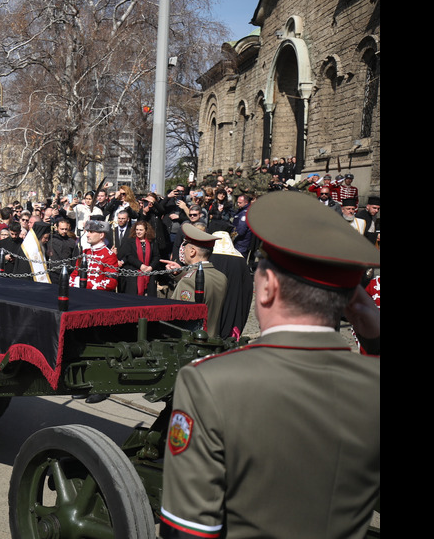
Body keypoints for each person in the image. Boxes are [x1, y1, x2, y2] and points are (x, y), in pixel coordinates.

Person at [159, 191, 380, 539]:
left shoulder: (209, 383)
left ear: (267, 287)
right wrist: (375, 338)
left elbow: (188, 530)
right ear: (353, 300)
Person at [161, 223, 228, 335]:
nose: (183, 250)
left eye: (185, 246)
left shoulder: (188, 281)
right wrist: (180, 273)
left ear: (192, 251)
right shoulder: (221, 277)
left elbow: (180, 318)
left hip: (192, 344)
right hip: (212, 339)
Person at [68, 218, 118, 291]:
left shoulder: (109, 255)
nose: (87, 235)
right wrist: (74, 283)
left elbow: (111, 282)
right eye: (88, 232)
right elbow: (74, 274)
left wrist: (86, 285)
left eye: (91, 232)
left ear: (101, 235)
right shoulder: (85, 252)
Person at [118, 221, 161, 296]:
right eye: (137, 230)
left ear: (146, 231)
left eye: (141, 230)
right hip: (134, 273)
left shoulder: (152, 242)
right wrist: (140, 265)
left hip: (149, 273)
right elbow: (129, 255)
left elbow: (156, 256)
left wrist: (151, 267)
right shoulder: (130, 241)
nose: (138, 232)